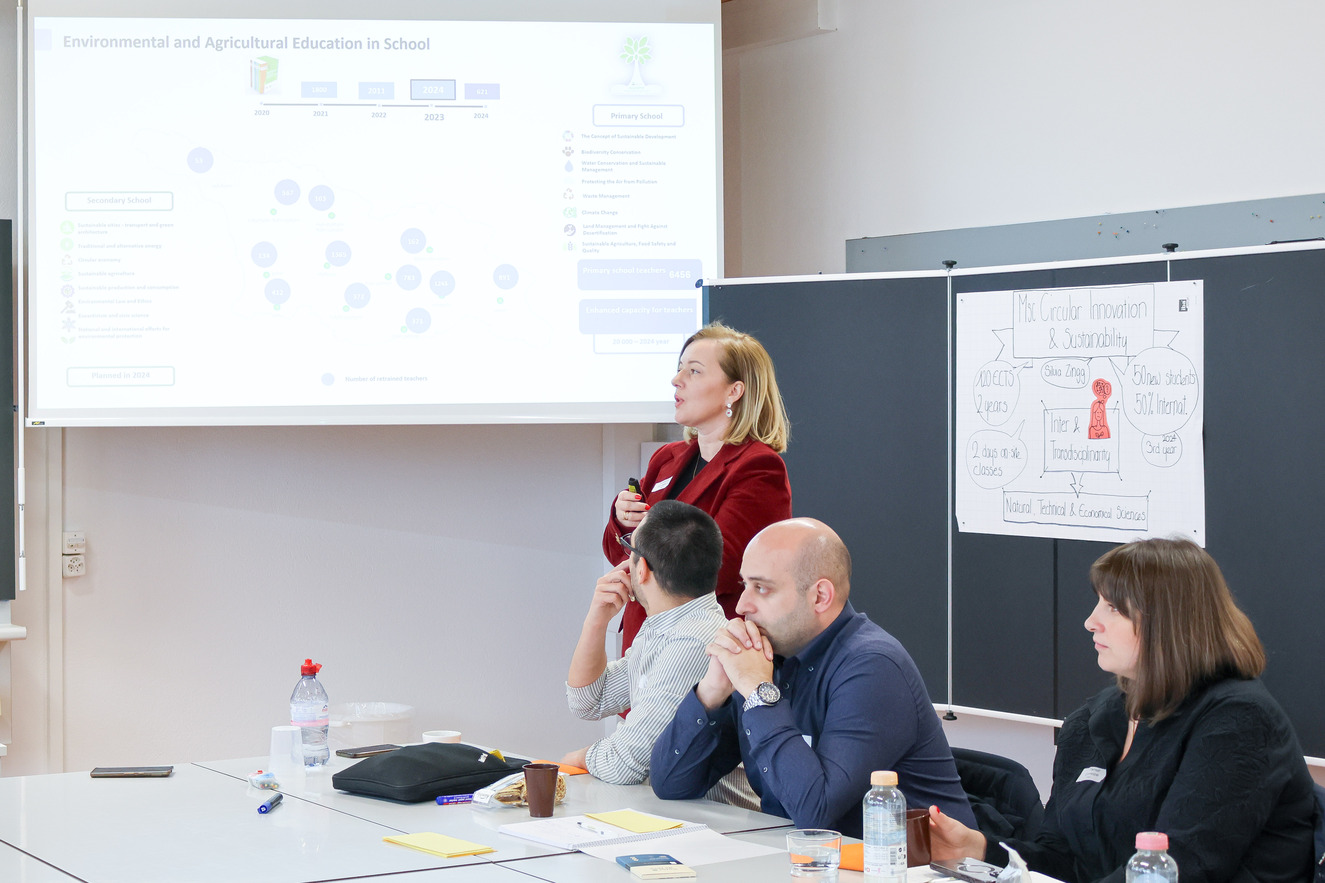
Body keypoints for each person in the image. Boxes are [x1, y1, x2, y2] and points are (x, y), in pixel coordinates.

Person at [928, 537, 1316, 883]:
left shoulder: (1239, 721)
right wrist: (979, 849)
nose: (1090, 622)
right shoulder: (1092, 720)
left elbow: (1180, 869)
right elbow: (1063, 859)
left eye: (1113, 608)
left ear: (1169, 623)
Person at [649, 518, 976, 838]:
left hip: (902, 864)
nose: (742, 606)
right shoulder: (766, 657)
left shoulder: (874, 667)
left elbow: (815, 813)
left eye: (761, 588)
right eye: (744, 585)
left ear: (820, 596)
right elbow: (671, 784)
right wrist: (712, 691)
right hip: (802, 860)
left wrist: (759, 693)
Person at [603, 321, 792, 653]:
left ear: (734, 391)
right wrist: (622, 518)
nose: (676, 380)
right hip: (644, 642)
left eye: (694, 371)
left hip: (700, 649)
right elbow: (616, 550)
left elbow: (717, 569)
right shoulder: (666, 458)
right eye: (679, 369)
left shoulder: (758, 467)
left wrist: (639, 562)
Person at [560, 500, 729, 785]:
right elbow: (588, 702)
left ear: (642, 569)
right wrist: (597, 621)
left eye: (630, 550)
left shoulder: (693, 639)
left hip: (712, 811)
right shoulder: (667, 623)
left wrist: (579, 758)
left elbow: (625, 763)